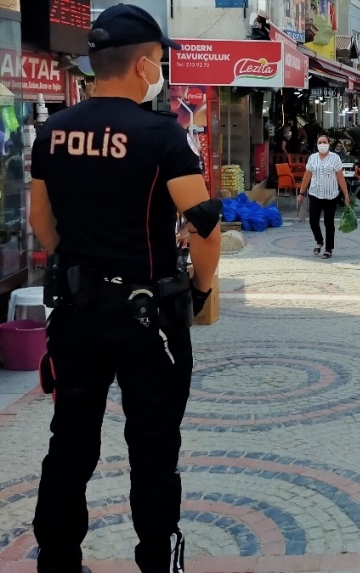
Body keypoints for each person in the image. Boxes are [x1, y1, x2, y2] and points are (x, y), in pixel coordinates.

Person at [28, 6, 222, 573]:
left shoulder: (52, 130)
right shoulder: (161, 134)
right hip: (149, 318)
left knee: (71, 439)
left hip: (76, 310)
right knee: (154, 446)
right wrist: (201, 291)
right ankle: (156, 562)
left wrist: (80, 256)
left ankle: (58, 560)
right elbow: (204, 225)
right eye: (158, 62)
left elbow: (42, 221)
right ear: (143, 65)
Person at [298, 134, 351, 259]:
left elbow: (340, 177)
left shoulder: (335, 158)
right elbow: (307, 175)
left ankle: (328, 248)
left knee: (329, 223)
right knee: (313, 221)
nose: (322, 144)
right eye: (319, 142)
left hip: (331, 195)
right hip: (315, 193)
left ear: (328, 144)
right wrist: (301, 192)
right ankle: (319, 240)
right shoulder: (312, 158)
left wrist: (346, 195)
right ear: (317, 145)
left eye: (324, 142)